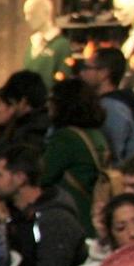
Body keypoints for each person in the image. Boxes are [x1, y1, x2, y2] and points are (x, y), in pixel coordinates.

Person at [41, 76, 112, 224]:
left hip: (73, 213)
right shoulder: (97, 135)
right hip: (92, 212)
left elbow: (43, 176)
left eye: (52, 100)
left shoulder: (67, 138)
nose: (48, 105)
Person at [76, 46, 134, 163]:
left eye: (87, 68)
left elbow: (111, 153)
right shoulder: (118, 104)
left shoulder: (111, 108)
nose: (81, 73)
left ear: (104, 73)